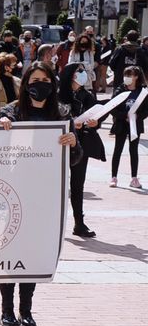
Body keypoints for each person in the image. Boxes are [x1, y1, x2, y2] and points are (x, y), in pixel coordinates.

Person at [0, 62, 79, 326]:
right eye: (34, 79)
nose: (39, 84)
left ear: (52, 83)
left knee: (32, 251)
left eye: (44, 79)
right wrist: (2, 123)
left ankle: (26, 309)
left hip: (44, 193)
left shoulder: (62, 114)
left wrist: (74, 144)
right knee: (10, 250)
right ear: (26, 83)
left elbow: (74, 159)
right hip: (12, 191)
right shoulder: (13, 111)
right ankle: (7, 309)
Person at [59, 61, 101, 238]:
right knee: (56, 185)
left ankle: (79, 223)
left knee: (78, 184)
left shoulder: (87, 95)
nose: (83, 74)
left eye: (84, 71)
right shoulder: (59, 94)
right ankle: (54, 221)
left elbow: (95, 119)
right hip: (59, 143)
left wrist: (94, 123)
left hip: (80, 144)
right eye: (79, 71)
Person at [109, 66, 145, 189]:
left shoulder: (142, 92)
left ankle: (134, 178)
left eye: (130, 75)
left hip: (135, 125)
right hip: (121, 124)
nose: (127, 78)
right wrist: (123, 116)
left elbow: (146, 110)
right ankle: (113, 177)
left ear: (136, 77)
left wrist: (136, 117)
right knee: (117, 149)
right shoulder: (120, 90)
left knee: (133, 150)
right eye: (126, 75)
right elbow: (112, 107)